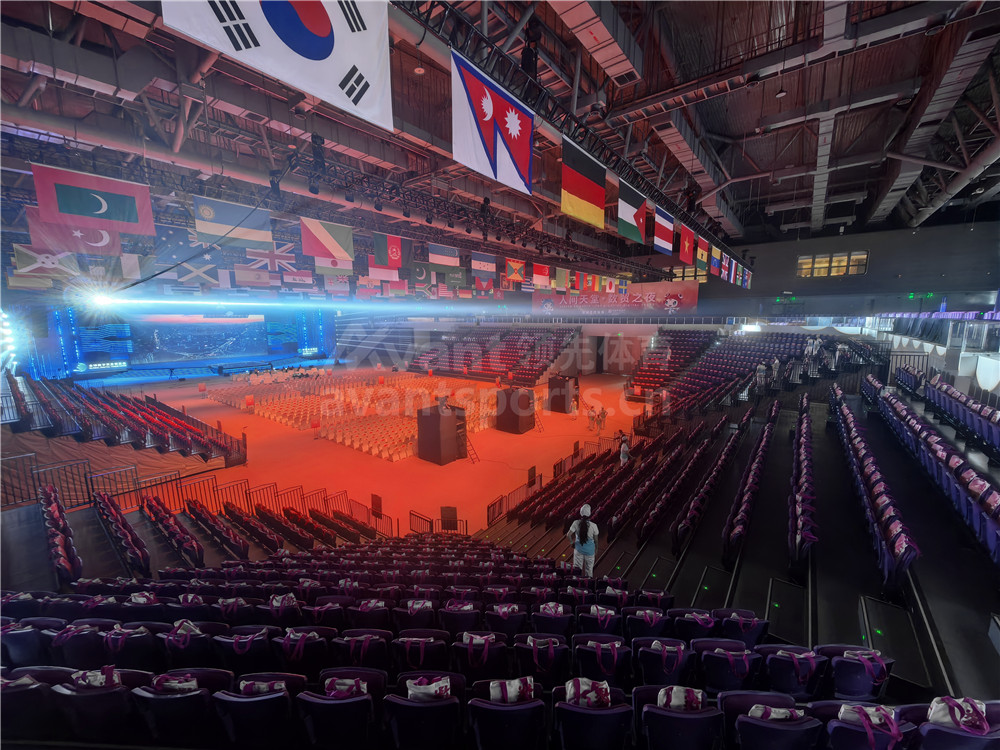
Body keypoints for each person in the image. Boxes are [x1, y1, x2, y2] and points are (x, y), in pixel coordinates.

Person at [566, 504, 598, 577]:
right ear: (590, 514)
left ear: (580, 513)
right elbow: (596, 541)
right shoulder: (594, 526)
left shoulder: (576, 523)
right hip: (590, 551)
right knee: (589, 571)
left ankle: (577, 582)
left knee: (577, 571)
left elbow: (568, 535)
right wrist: (596, 549)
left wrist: (571, 543)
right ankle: (587, 583)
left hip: (578, 550)